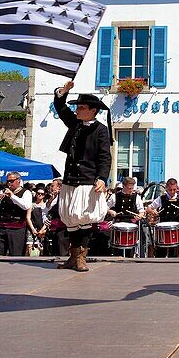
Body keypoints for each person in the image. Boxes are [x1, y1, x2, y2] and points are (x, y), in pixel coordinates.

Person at [51, 81, 111, 272]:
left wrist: (102, 178)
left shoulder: (101, 130)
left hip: (87, 181)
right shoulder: (75, 124)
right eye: (77, 107)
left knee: (83, 218)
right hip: (70, 179)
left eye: (82, 107)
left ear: (93, 110)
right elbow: (61, 108)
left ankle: (81, 258)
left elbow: (104, 156)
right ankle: (73, 256)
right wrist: (64, 92)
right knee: (70, 219)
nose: (77, 110)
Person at [148, 178, 179, 258]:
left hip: (176, 230)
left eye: (174, 190)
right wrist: (152, 211)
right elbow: (149, 208)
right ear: (167, 188)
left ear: (177, 188)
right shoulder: (161, 198)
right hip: (163, 230)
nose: (172, 192)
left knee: (174, 254)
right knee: (161, 254)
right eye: (170, 190)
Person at [0, 172, 32, 256]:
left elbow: (26, 206)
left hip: (16, 229)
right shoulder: (3, 192)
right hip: (1, 227)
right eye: (8, 181)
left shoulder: (26, 192)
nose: (9, 183)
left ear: (18, 181)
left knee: (15, 254)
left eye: (11, 181)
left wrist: (12, 196)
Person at [106, 177, 144, 258]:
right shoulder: (114, 196)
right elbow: (105, 207)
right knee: (117, 248)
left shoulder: (136, 197)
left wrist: (139, 216)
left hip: (131, 222)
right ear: (123, 186)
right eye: (129, 188)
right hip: (119, 222)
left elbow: (141, 211)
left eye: (132, 188)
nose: (131, 190)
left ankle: (131, 255)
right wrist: (110, 211)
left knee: (130, 248)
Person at [42, 179, 69, 257]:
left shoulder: (65, 197)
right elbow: (45, 210)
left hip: (63, 228)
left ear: (59, 187)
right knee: (51, 251)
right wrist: (52, 198)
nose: (51, 187)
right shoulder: (52, 197)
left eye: (53, 185)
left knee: (62, 251)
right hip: (52, 228)